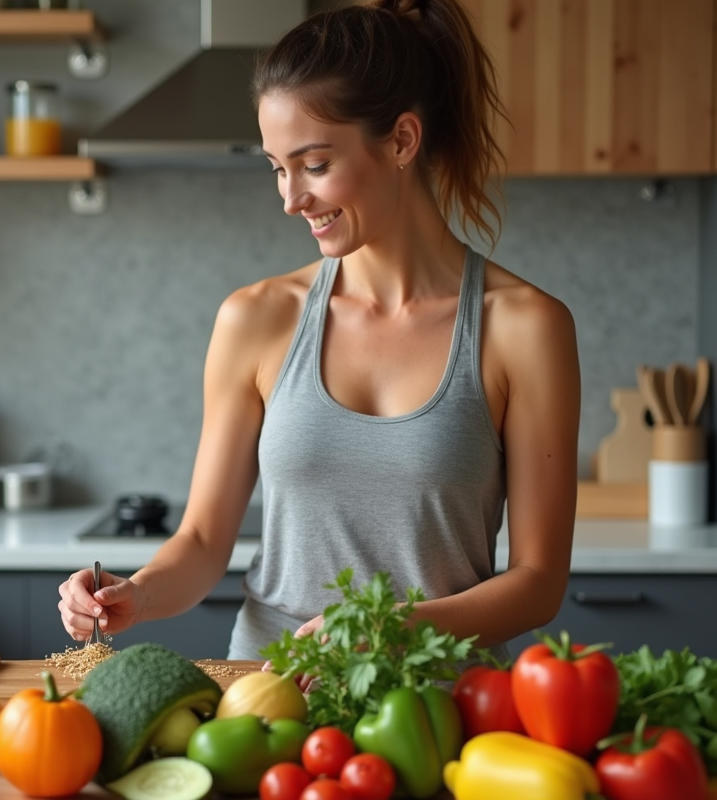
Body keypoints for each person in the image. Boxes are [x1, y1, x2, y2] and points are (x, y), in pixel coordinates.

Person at [58, 0, 580, 663]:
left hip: (446, 709)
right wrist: (135, 592)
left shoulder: (525, 328)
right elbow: (199, 543)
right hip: (273, 699)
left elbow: (538, 583)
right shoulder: (256, 318)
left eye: (313, 163)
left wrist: (392, 629)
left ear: (401, 141)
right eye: (277, 167)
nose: (289, 197)